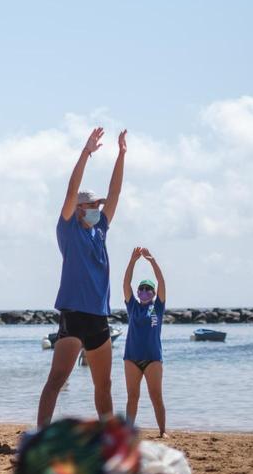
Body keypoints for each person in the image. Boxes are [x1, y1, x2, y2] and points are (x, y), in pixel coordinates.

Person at [37, 128, 127, 427]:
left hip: (99, 317)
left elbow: (114, 193)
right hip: (74, 314)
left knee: (104, 386)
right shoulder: (68, 228)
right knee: (57, 380)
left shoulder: (100, 229)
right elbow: (70, 191)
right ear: (78, 210)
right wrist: (86, 154)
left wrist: (121, 155)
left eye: (96, 207)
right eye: (90, 206)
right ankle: (42, 435)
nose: (96, 210)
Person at [122, 246, 166, 433]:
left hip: (153, 358)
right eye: (142, 288)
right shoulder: (132, 306)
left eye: (149, 289)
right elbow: (125, 284)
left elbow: (161, 282)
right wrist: (132, 261)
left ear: (154, 293)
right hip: (131, 357)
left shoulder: (158, 307)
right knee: (132, 397)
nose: (145, 291)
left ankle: (162, 431)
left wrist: (152, 261)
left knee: (156, 396)